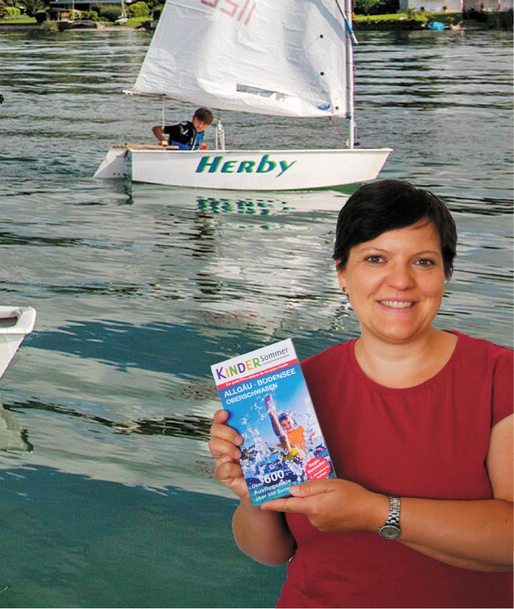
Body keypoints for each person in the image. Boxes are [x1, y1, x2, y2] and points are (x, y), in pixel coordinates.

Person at [208, 178, 513, 607]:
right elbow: (270, 553)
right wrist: (251, 495)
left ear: (446, 274)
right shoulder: (296, 389)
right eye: (375, 258)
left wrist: (375, 512)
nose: (400, 281)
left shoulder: (500, 376)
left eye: (423, 262)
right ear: (341, 273)